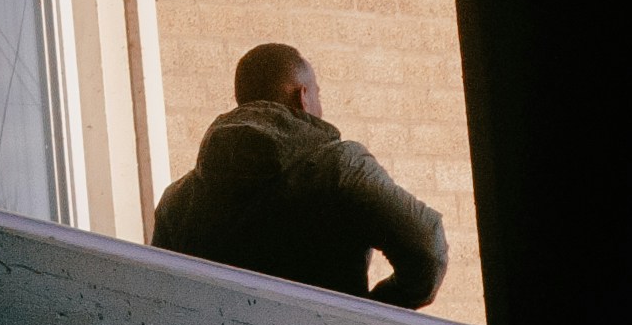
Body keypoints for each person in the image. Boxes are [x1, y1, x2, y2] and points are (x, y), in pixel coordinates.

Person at [149, 41, 448, 307]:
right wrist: (373, 308)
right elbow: (427, 249)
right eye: (318, 95)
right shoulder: (339, 168)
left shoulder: (177, 202)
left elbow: (161, 299)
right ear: (302, 97)